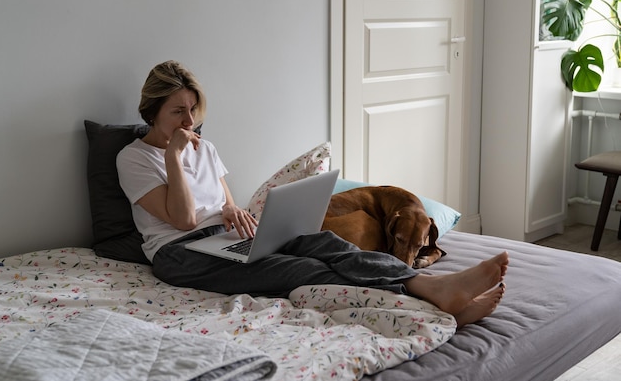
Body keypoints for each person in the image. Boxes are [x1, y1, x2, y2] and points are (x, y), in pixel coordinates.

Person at [116, 60, 509, 328]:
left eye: (193, 111)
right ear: (151, 112)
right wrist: (172, 155)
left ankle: (433, 288)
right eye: (177, 113)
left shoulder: (206, 147)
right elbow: (184, 219)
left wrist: (235, 210)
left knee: (324, 243)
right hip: (179, 254)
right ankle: (430, 304)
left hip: (225, 238)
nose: (190, 123)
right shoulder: (132, 159)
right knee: (301, 271)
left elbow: (224, 200)